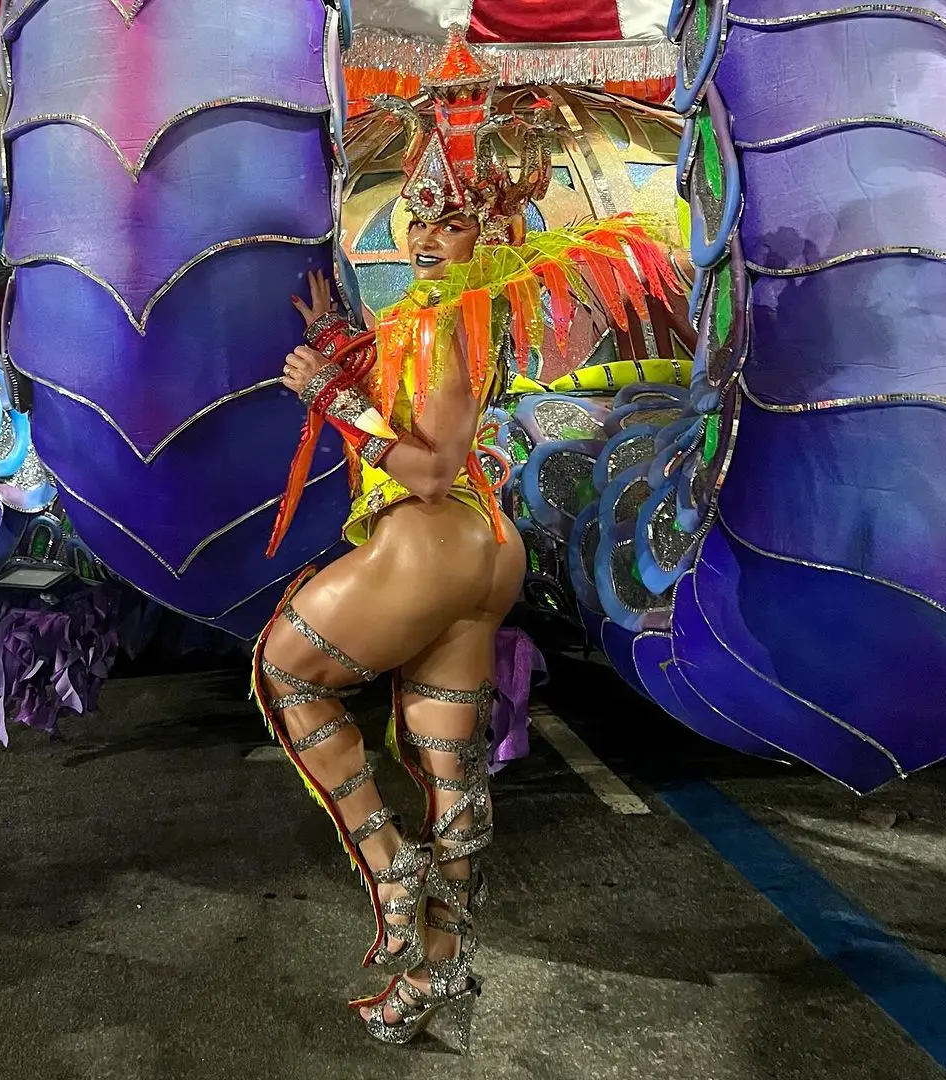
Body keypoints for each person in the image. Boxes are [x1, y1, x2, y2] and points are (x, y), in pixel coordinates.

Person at [252, 27, 677, 1052]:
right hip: (487, 554)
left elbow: (430, 464)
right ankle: (439, 973)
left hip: (437, 530)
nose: (426, 237)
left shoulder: (439, 320)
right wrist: (341, 350)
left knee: (287, 672)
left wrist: (332, 394)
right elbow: (422, 407)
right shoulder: (459, 312)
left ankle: (391, 870)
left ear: (491, 227)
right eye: (419, 218)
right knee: (451, 774)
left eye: (450, 221)